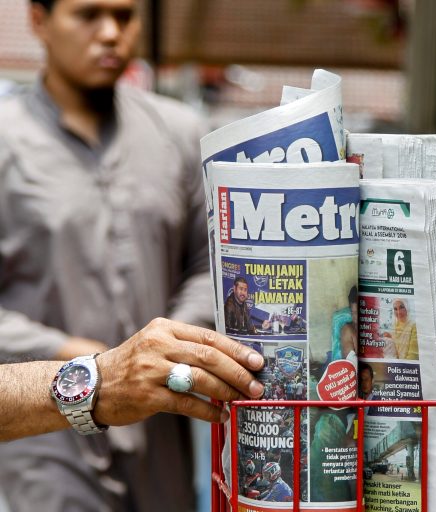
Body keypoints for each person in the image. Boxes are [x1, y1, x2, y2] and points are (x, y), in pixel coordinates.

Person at [0, 0, 214, 509]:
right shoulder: (5, 139)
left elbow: (209, 266)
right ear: (39, 21)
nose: (111, 33)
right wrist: (70, 351)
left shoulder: (179, 134)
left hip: (160, 426)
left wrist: (168, 344)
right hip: (46, 430)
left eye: (124, 16)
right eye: (88, 14)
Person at [0, 318, 265, 442]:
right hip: (39, 436)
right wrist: (100, 372)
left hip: (159, 430)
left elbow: (199, 262)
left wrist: (173, 343)